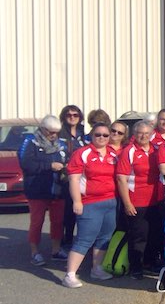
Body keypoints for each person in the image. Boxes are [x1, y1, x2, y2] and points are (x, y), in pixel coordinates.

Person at [62, 123, 118, 288]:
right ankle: (70, 274)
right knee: (85, 238)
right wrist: (77, 201)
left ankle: (97, 268)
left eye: (105, 135)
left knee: (105, 236)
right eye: (98, 135)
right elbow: (74, 179)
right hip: (90, 202)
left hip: (111, 201)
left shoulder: (113, 154)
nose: (101, 138)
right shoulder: (82, 153)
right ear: (92, 136)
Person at [20, 115, 69, 266]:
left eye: (56, 132)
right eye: (50, 132)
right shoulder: (30, 142)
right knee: (37, 221)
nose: (54, 135)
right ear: (42, 129)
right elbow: (26, 164)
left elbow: (67, 160)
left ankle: (56, 250)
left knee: (58, 221)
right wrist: (49, 165)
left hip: (57, 189)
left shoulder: (61, 144)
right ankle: (35, 252)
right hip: (37, 190)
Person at [115, 121, 162, 279]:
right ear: (134, 134)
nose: (143, 136)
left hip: (155, 201)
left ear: (151, 134)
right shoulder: (129, 151)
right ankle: (136, 267)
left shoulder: (156, 150)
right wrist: (127, 203)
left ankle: (149, 263)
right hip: (137, 202)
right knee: (138, 237)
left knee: (154, 235)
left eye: (147, 133)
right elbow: (121, 179)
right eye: (140, 133)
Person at [58, 105, 86, 252]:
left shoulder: (83, 133)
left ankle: (79, 242)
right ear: (64, 117)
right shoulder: (59, 133)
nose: (72, 117)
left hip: (81, 177)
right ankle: (66, 241)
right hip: (64, 178)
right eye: (69, 115)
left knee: (81, 212)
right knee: (68, 212)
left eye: (75, 115)